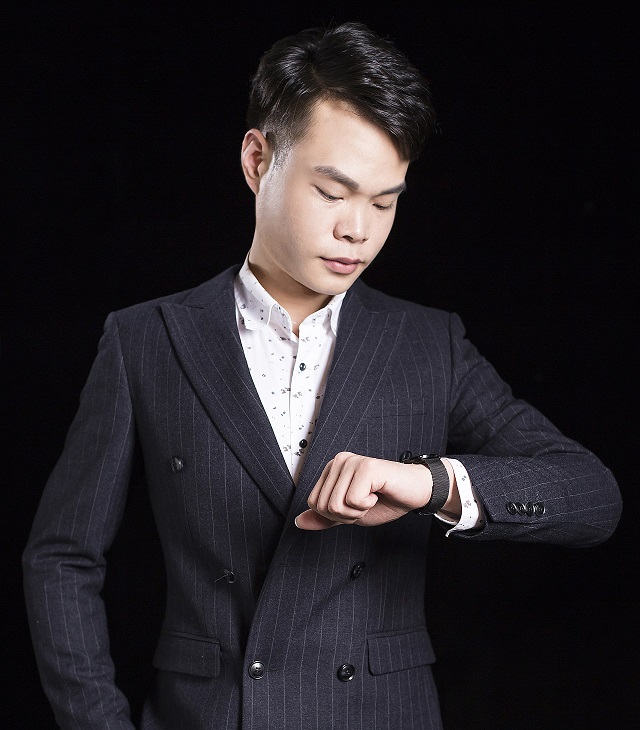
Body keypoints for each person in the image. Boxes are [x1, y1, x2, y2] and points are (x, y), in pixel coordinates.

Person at [23, 21, 622, 730]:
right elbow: (61, 559)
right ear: (257, 160)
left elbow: (592, 497)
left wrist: (431, 483)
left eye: (385, 202)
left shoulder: (427, 344)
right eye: (333, 192)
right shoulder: (147, 341)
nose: (358, 231)